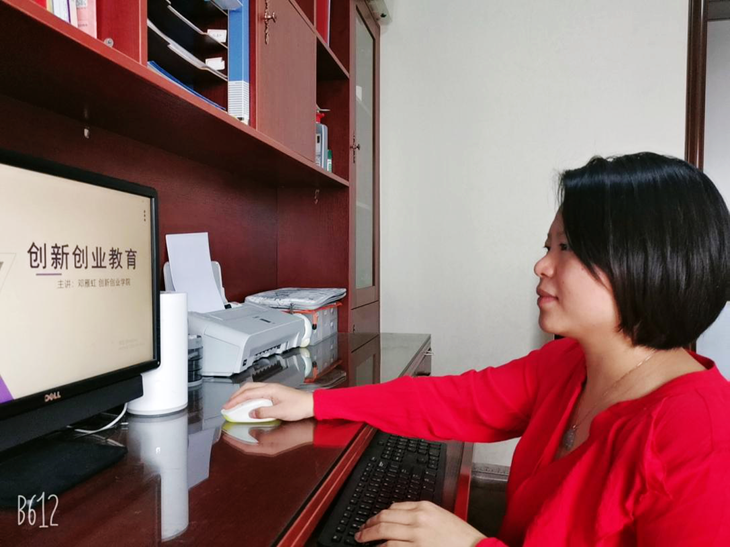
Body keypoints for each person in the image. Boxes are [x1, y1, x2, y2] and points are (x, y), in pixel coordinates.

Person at [224, 152, 730, 546]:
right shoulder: (571, 363)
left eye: (566, 247)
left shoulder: (700, 437)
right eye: (547, 246)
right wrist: (316, 402)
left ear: (646, 261)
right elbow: (458, 401)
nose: (541, 266)